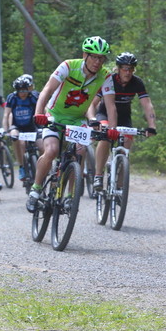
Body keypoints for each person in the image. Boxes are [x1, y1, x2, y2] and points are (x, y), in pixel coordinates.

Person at [26, 36, 120, 213]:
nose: (97, 62)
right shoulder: (68, 66)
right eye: (94, 57)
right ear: (85, 55)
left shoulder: (106, 75)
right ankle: (35, 190)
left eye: (101, 58)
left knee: (79, 151)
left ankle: (70, 196)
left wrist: (112, 129)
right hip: (54, 115)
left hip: (77, 119)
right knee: (52, 150)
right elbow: (47, 89)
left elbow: (110, 105)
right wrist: (39, 113)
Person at [88, 52, 157, 192]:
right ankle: (98, 175)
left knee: (126, 144)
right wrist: (93, 119)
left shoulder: (137, 82)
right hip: (105, 114)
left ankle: (119, 186)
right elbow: (93, 103)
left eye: (131, 69)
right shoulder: (109, 80)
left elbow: (147, 104)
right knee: (106, 137)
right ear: (118, 68)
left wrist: (152, 126)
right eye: (125, 69)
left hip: (124, 117)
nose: (128, 72)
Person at [4, 76, 40, 182]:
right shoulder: (12, 98)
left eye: (25, 90)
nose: (23, 93)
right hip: (17, 126)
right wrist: (6, 130)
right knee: (20, 142)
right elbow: (6, 115)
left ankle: (42, 166)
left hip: (31, 126)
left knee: (42, 146)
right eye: (20, 91)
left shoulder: (33, 97)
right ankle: (21, 166)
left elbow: (43, 108)